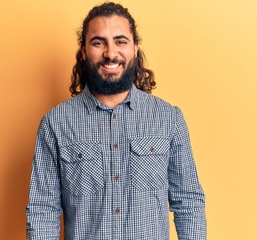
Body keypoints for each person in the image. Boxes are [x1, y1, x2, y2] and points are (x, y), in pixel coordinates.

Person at [26, 2, 206, 240]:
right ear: (83, 50)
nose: (110, 53)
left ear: (135, 48)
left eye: (120, 41)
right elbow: (42, 211)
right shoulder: (55, 123)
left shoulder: (168, 119)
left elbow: (189, 202)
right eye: (98, 42)